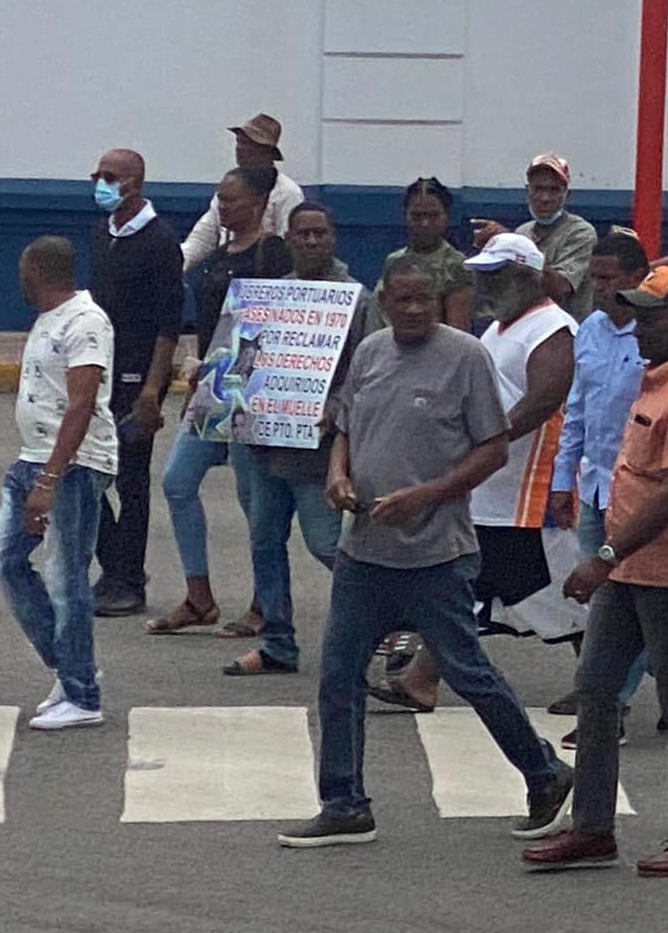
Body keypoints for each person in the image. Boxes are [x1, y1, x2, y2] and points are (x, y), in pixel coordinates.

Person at [277, 260, 571, 848]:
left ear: (438, 302)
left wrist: (427, 496)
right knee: (338, 675)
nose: (414, 310)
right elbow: (346, 430)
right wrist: (338, 475)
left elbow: (491, 450)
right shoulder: (371, 353)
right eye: (403, 300)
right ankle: (344, 803)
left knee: (468, 672)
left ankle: (544, 774)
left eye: (424, 301)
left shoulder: (465, 358)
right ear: (384, 300)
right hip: (365, 551)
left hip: (436, 553)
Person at [521, 266, 668, 877]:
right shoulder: (658, 378)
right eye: (636, 314)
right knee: (596, 688)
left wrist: (604, 558)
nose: (637, 327)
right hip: (631, 567)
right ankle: (592, 827)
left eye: (650, 316)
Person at [372, 234, 577, 710]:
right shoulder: (502, 327)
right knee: (466, 586)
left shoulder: (551, 327)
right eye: (482, 276)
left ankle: (627, 671)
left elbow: (545, 399)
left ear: (529, 276)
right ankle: (422, 678)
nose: (486, 286)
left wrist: (489, 439)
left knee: (565, 591)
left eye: (497, 276)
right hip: (491, 488)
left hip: (528, 489)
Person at [227, 202, 382, 678]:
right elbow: (242, 363)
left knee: (327, 544)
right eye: (303, 234)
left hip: (320, 451)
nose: (312, 242)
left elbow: (371, 373)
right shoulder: (270, 297)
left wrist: (337, 411)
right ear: (289, 240)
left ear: (334, 238)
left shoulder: (357, 301)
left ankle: (392, 617)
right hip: (266, 446)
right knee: (264, 542)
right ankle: (278, 644)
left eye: (320, 233)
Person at [148, 164, 292, 637]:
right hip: (213, 384)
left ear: (257, 203)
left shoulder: (271, 252)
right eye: (219, 200)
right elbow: (211, 325)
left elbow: (273, 320)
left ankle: (265, 603)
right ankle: (198, 594)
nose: (223, 208)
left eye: (231, 200)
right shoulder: (221, 252)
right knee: (177, 481)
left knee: (256, 504)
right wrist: (197, 376)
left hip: (250, 390)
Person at [0, 237, 118, 731]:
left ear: (37, 271)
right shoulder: (50, 318)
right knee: (5, 562)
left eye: (23, 270)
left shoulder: (86, 322)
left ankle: (83, 696)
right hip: (32, 459)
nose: (19, 278)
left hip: (72, 466)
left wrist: (50, 477)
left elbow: (81, 404)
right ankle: (72, 667)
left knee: (67, 578)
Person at [545, 229, 655, 735]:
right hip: (594, 487)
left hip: (642, 490)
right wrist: (562, 480)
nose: (601, 287)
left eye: (610, 278)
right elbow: (577, 415)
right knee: (605, 605)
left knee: (623, 602)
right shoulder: (588, 330)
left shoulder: (657, 336)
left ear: (638, 279)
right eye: (595, 278)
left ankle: (610, 705)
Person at [87, 147, 183, 618]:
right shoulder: (103, 233)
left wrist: (151, 391)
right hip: (101, 375)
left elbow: (169, 324)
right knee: (84, 473)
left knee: (131, 479)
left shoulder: (159, 241)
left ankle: (128, 581)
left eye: (110, 176)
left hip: (137, 377)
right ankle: (119, 567)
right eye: (97, 174)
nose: (100, 182)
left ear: (135, 184)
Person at [471, 154, 597, 324]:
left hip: (564, 330)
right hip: (523, 325)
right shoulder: (523, 231)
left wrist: (514, 245)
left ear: (567, 194)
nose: (545, 198)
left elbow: (560, 289)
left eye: (554, 190)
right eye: (538, 189)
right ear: (527, 192)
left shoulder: (580, 233)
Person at [179, 113, 305, 272]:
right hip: (226, 269)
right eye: (240, 142)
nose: (241, 149)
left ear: (268, 152)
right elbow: (202, 239)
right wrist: (174, 265)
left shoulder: (288, 192)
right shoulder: (228, 186)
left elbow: (290, 246)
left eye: (250, 144)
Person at [381, 177, 474, 329]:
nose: (425, 223)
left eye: (433, 216)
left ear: (447, 217)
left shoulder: (456, 265)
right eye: (417, 216)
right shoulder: (393, 261)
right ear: (405, 216)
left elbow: (457, 332)